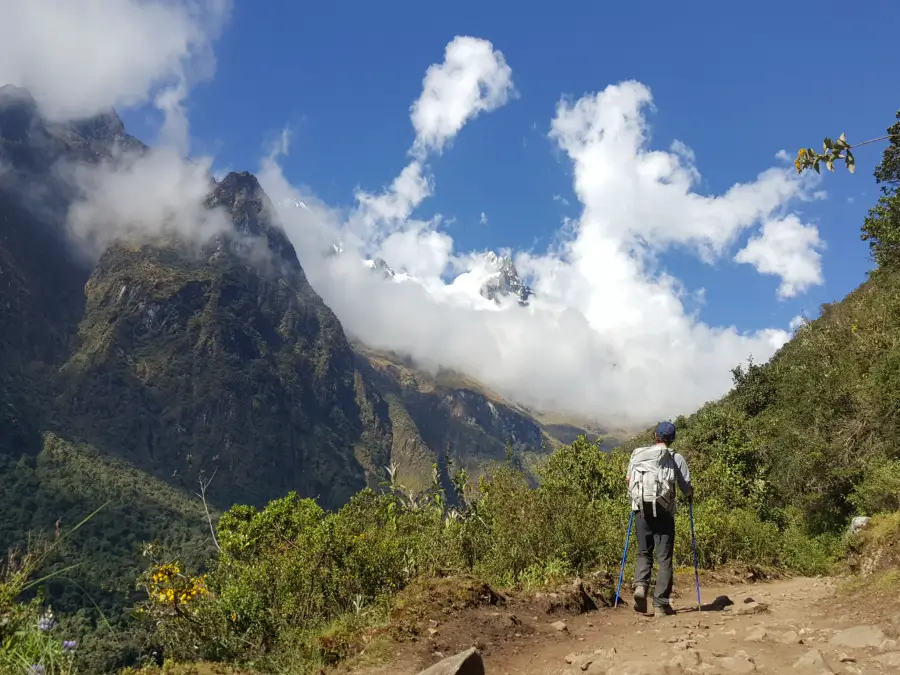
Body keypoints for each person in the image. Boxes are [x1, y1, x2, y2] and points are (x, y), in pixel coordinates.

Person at [625, 421, 693, 616]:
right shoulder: (675, 458)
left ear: (655, 436)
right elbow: (685, 488)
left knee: (643, 553)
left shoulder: (637, 454)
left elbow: (629, 480)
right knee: (664, 560)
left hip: (640, 510)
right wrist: (690, 495)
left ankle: (640, 587)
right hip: (664, 513)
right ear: (672, 439)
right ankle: (660, 604)